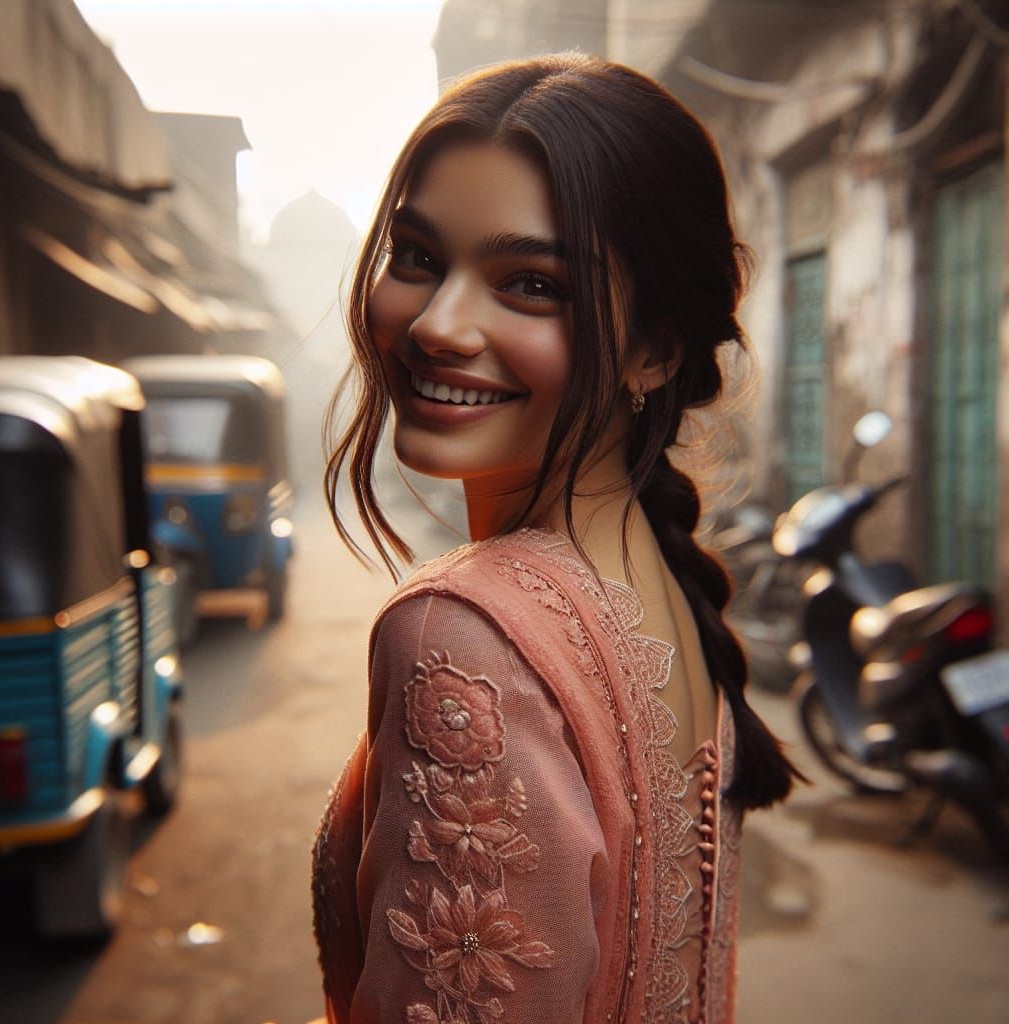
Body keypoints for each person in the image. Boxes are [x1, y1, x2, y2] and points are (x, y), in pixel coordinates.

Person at [312, 52, 801, 1024]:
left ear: (655, 347)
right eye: (416, 258)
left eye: (529, 283)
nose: (439, 323)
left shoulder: (461, 635)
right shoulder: (660, 579)